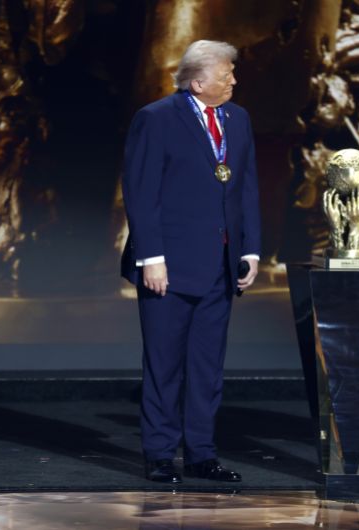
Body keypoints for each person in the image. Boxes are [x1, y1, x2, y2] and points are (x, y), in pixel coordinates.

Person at [121, 40, 261, 483]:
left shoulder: (237, 120)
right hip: (168, 265)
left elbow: (247, 190)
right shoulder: (157, 118)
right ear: (198, 82)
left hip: (221, 265)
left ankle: (201, 452)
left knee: (206, 366)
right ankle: (160, 453)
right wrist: (152, 258)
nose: (234, 81)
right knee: (164, 363)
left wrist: (250, 250)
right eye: (226, 75)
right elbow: (141, 193)